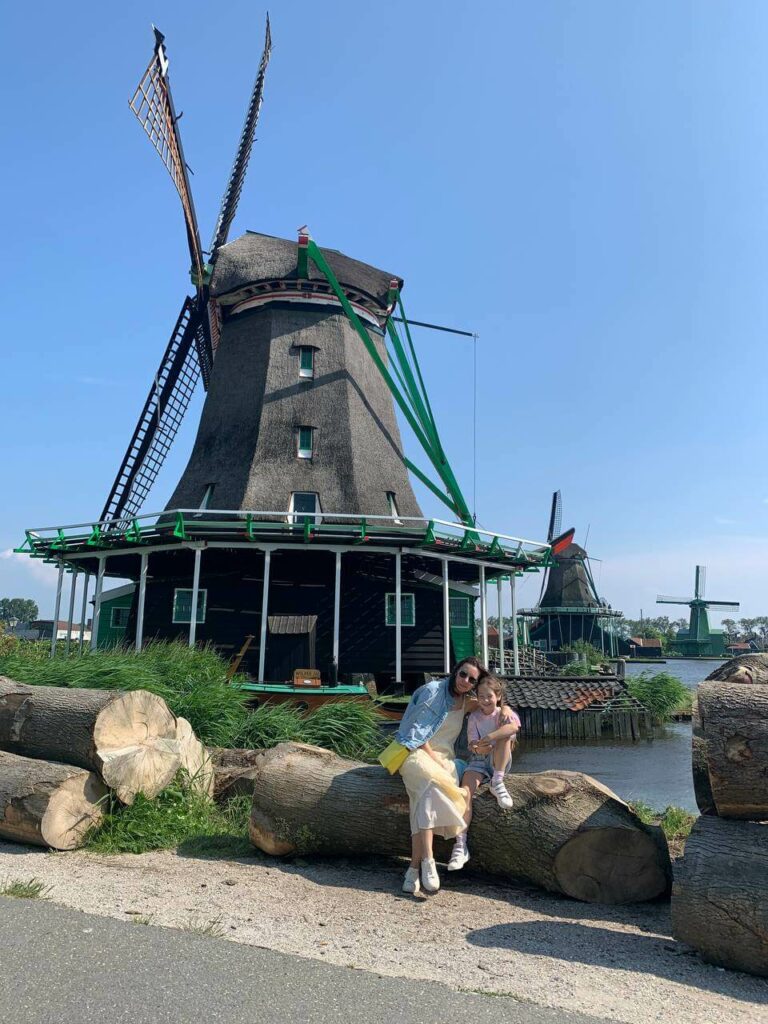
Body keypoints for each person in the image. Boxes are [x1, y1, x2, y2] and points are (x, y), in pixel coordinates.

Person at [393, 658, 517, 895]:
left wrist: (507, 708)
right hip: (416, 753)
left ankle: (413, 868)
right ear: (455, 671)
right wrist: (434, 760)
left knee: (423, 798)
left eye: (472, 680)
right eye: (463, 675)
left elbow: (494, 702)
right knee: (430, 781)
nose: (466, 681)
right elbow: (414, 733)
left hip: (446, 760)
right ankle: (428, 861)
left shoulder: (468, 701)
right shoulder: (432, 691)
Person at [447, 675, 520, 872]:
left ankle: (498, 781)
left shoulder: (504, 714)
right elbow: (472, 743)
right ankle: (460, 844)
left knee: (505, 735)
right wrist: (478, 748)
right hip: (479, 761)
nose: (485, 700)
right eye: (481, 696)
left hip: (499, 759)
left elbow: (513, 728)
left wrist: (489, 738)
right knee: (465, 793)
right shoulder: (474, 718)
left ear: (497, 696)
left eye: (489, 696)